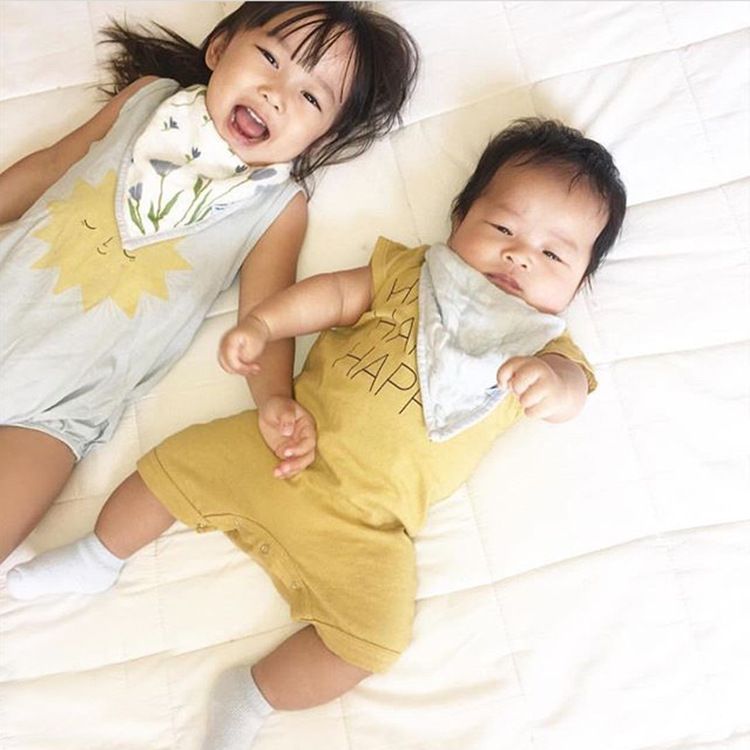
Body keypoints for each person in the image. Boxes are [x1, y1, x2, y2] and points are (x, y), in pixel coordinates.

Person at [6, 118, 627, 750]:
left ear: (580, 282)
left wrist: (551, 385)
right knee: (171, 467)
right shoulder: (413, 275)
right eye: (502, 228)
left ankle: (252, 695)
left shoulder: (544, 347)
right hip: (283, 445)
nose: (520, 255)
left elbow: (573, 392)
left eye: (554, 255)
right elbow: (330, 296)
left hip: (368, 526)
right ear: (460, 217)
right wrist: (265, 325)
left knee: (373, 638)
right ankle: (98, 556)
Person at [0, 2, 419, 561]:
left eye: (311, 97)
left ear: (322, 140)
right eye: (269, 57)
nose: (275, 92)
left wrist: (274, 400)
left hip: (56, 413)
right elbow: (52, 166)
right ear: (220, 48)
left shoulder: (276, 207)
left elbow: (265, 316)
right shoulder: (147, 100)